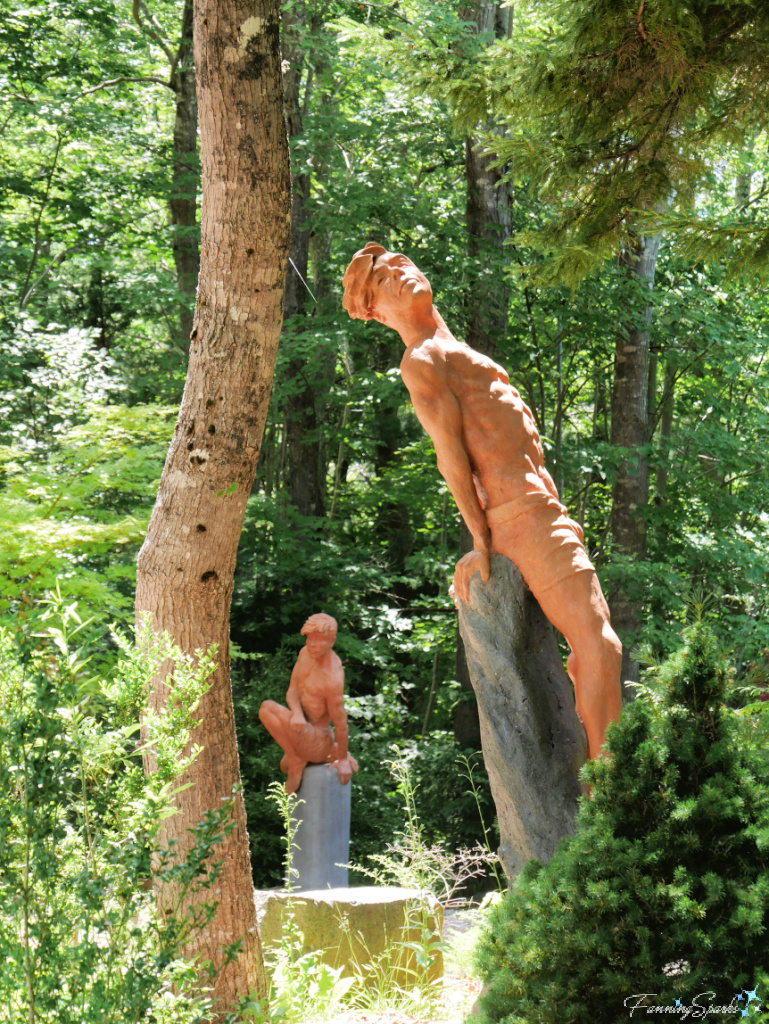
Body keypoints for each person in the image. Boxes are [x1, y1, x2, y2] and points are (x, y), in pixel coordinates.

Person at [342, 242, 622, 760]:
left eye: (402, 265)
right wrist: (481, 540)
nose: (400, 275)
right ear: (376, 313)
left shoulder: (456, 350)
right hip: (521, 520)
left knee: (594, 654)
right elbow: (452, 460)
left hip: (546, 513)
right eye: (383, 282)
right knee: (600, 647)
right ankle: (613, 798)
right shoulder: (421, 361)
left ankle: (596, 782)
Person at [259, 613, 359, 794]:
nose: (312, 644)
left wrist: (343, 760)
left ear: (332, 641)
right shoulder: (305, 654)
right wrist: (296, 712)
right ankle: (298, 757)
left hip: (318, 738)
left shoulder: (332, 677)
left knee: (268, 708)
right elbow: (293, 690)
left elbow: (341, 723)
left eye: (319, 640)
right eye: (310, 639)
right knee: (284, 766)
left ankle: (322, 754)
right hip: (301, 729)